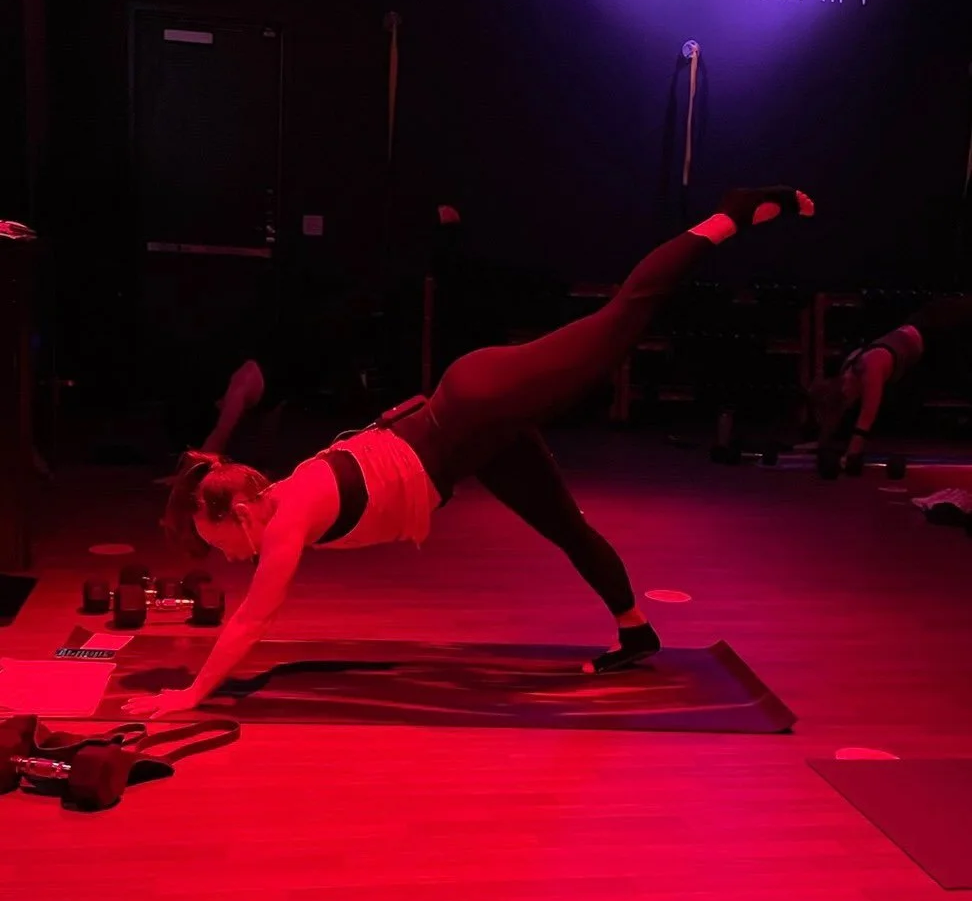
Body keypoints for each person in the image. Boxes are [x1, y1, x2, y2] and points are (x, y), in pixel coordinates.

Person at [125, 184, 813, 719]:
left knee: (618, 322)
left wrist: (191, 695)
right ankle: (635, 631)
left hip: (474, 405)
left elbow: (252, 620)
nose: (224, 558)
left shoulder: (284, 524)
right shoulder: (280, 499)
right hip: (473, 436)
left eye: (215, 541)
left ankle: (729, 216)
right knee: (565, 525)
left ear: (241, 512)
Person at [811, 297, 972, 471]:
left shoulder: (869, 369)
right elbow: (835, 413)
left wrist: (850, 456)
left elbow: (866, 417)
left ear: (843, 392)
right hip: (920, 329)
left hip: (935, 328)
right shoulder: (848, 370)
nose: (849, 406)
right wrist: (822, 444)